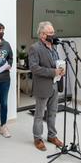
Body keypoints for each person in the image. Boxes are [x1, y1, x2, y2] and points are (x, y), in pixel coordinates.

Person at [29, 21, 64, 151]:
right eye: (50, 33)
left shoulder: (54, 47)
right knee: (39, 114)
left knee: (53, 112)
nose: (53, 35)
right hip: (42, 86)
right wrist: (53, 72)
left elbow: (55, 64)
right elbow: (34, 68)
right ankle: (38, 138)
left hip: (55, 84)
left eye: (53, 32)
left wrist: (61, 69)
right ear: (42, 35)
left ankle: (51, 136)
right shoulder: (35, 48)